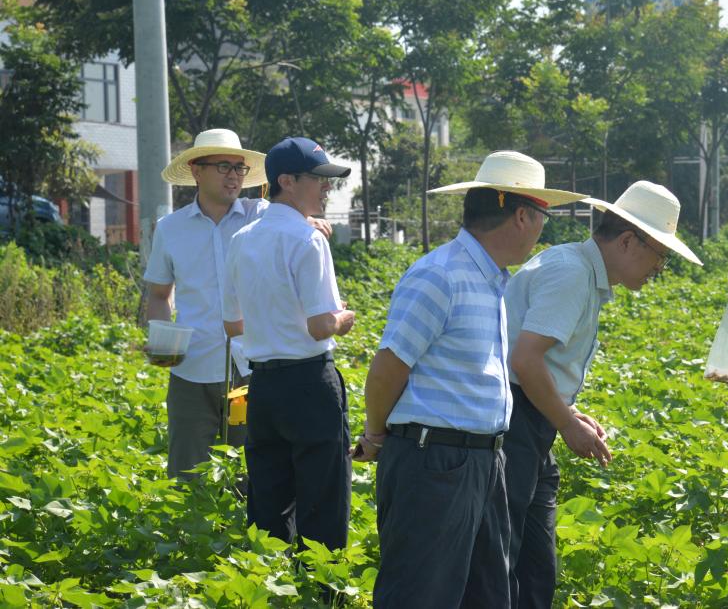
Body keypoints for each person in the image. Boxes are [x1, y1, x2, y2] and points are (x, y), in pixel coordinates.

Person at [353, 151, 584, 609]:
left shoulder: (492, 280)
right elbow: (387, 368)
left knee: (488, 595)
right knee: (421, 596)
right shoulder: (441, 275)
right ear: (522, 216)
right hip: (433, 461)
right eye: (543, 216)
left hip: (484, 460)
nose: (543, 229)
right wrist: (375, 434)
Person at [502, 181, 703, 608]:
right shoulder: (572, 274)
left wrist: (568, 410)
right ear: (628, 241)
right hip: (512, 423)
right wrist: (565, 422)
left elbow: (534, 359)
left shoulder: (579, 271)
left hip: (530, 417)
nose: (659, 268)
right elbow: (524, 360)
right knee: (506, 564)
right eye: (660, 255)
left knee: (534, 569)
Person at [144, 128, 332, 481]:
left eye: (239, 168)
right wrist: (162, 341)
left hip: (252, 365)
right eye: (223, 167)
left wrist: (311, 220)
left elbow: (293, 217)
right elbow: (158, 294)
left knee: (254, 472)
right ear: (196, 171)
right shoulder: (170, 229)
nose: (233, 176)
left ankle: (247, 518)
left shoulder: (260, 214)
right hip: (192, 366)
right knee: (187, 473)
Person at [221, 136, 355, 552]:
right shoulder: (308, 239)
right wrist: (342, 319)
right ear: (287, 181)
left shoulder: (241, 239)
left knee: (268, 498)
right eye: (318, 178)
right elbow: (319, 327)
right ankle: (317, 583)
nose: (327, 187)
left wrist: (271, 323)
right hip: (309, 382)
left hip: (263, 387)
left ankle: (266, 578)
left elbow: (232, 324)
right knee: (323, 500)